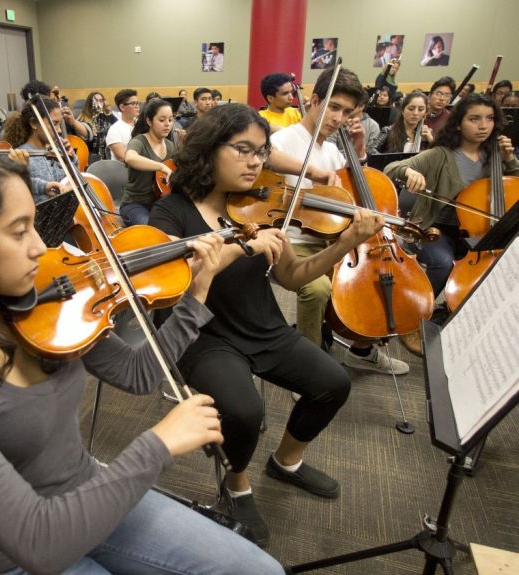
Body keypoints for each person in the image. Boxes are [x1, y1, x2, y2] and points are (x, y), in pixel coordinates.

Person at [0, 143, 285, 574]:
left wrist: (196, 295)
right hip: (18, 555)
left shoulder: (41, 306)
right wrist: (157, 445)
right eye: (19, 232)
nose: (40, 247)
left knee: (261, 571)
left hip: (91, 492)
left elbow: (138, 373)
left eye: (34, 225)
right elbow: (37, 542)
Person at [149, 103, 383, 547]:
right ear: (209, 149)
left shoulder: (259, 207)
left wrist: (346, 242)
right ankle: (236, 483)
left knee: (333, 383)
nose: (256, 162)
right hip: (201, 335)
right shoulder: (171, 212)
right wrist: (243, 247)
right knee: (245, 411)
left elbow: (292, 277)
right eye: (243, 150)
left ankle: (286, 461)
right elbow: (177, 282)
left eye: (261, 152)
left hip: (261, 324)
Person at [270, 67, 409, 375]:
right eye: (333, 107)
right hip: (293, 242)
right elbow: (265, 156)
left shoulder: (332, 150)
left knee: (372, 276)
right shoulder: (284, 139)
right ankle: (306, 370)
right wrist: (312, 172)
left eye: (346, 112)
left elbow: (358, 189)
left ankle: (362, 350)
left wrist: (359, 149)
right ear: (314, 100)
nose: (338, 118)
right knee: (317, 289)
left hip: (331, 238)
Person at [385, 94, 519, 352]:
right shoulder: (441, 155)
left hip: (480, 231)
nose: (483, 126)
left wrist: (510, 159)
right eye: (474, 119)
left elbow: (515, 185)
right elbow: (393, 167)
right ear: (458, 123)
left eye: (489, 119)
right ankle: (413, 320)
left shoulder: (495, 156)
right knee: (442, 263)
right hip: (436, 229)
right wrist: (409, 172)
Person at [119, 98, 175, 225]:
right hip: (134, 203)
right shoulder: (139, 141)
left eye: (170, 120)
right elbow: (130, 158)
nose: (167, 124)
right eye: (162, 120)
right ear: (149, 121)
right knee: (151, 228)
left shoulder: (170, 145)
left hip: (161, 203)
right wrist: (161, 166)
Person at [13, 96, 77, 203]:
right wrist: (43, 186)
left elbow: (74, 179)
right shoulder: (20, 155)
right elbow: (18, 186)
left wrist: (70, 159)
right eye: (54, 123)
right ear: (34, 123)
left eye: (60, 124)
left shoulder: (58, 150)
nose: (59, 130)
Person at [370, 92, 434, 154]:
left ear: (425, 113)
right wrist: (387, 158)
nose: (415, 113)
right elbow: (370, 150)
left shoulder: (427, 134)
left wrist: (432, 141)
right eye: (411, 109)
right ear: (403, 110)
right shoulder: (388, 130)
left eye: (420, 109)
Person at [77, 90, 117, 161]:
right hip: (92, 155)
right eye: (95, 101)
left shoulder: (109, 116)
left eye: (101, 101)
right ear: (90, 104)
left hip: (110, 153)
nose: (98, 104)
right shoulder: (83, 119)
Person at [104, 88, 139, 161]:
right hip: (125, 167)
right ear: (122, 107)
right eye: (133, 103)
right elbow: (122, 157)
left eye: (137, 103)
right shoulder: (115, 130)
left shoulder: (142, 124)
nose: (137, 106)